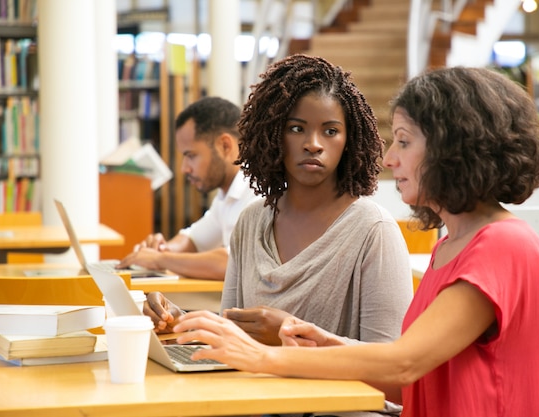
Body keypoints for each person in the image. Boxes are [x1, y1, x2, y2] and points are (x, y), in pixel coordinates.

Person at [171, 67, 539, 417]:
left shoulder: (502, 245)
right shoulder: (451, 246)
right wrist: (322, 345)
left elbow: (403, 365)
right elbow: (408, 379)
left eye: (405, 142)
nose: (390, 158)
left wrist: (264, 356)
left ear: (454, 151)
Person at [145, 54, 413, 355]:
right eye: (296, 128)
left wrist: (292, 338)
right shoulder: (250, 222)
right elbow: (233, 329)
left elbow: (392, 367)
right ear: (272, 135)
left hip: (337, 403)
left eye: (331, 131)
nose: (313, 143)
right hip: (252, 396)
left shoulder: (373, 230)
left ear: (349, 141)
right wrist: (183, 322)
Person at [117, 96, 260, 281]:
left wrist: (161, 259)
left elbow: (235, 262)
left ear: (225, 146)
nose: (185, 168)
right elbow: (194, 239)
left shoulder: (260, 190)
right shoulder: (227, 195)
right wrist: (163, 249)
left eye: (191, 155)